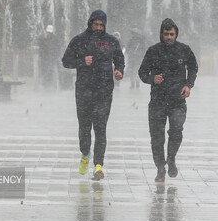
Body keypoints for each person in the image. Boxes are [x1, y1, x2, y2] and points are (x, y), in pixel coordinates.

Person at [62, 10, 125, 181]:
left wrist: (119, 70)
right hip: (83, 91)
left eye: (101, 25)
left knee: (100, 128)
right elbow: (66, 61)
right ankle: (84, 154)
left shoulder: (111, 41)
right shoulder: (79, 40)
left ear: (105, 25)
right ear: (90, 23)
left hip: (104, 92)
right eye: (95, 24)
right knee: (84, 128)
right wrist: (82, 61)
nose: (98, 28)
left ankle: (99, 166)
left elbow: (120, 58)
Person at [139, 18, 198, 182]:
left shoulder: (184, 50)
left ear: (176, 34)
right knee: (156, 137)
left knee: (176, 131)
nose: (169, 37)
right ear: (161, 34)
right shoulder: (153, 51)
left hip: (177, 101)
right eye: (166, 34)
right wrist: (152, 79)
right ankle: (160, 168)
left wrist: (188, 85)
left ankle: (171, 158)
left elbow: (193, 67)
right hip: (157, 101)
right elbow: (142, 72)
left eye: (172, 34)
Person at [38, 25, 59, 89]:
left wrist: (55, 56)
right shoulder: (43, 37)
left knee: (49, 71)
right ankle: (45, 84)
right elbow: (41, 46)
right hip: (45, 57)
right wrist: (44, 38)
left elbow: (56, 47)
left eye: (49, 32)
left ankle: (48, 84)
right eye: (48, 32)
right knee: (45, 71)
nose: (48, 33)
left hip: (51, 58)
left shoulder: (54, 38)